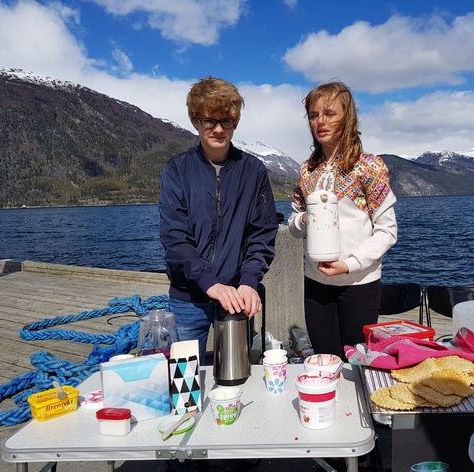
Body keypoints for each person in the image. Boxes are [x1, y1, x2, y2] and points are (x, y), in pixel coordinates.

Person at [159, 76, 278, 364]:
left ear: (235, 123)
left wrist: (249, 281)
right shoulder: (177, 170)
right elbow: (175, 237)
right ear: (195, 120)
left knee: (235, 375)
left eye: (226, 121)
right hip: (188, 298)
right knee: (184, 385)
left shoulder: (254, 171)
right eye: (209, 121)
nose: (218, 129)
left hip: (239, 295)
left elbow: (262, 234)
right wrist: (209, 282)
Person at [288, 81, 398, 360]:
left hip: (359, 284)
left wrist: (350, 264)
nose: (320, 121)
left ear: (347, 118)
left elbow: (387, 231)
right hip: (315, 284)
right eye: (314, 115)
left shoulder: (369, 167)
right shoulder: (306, 170)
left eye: (329, 113)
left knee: (357, 363)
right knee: (325, 361)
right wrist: (304, 220)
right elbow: (293, 223)